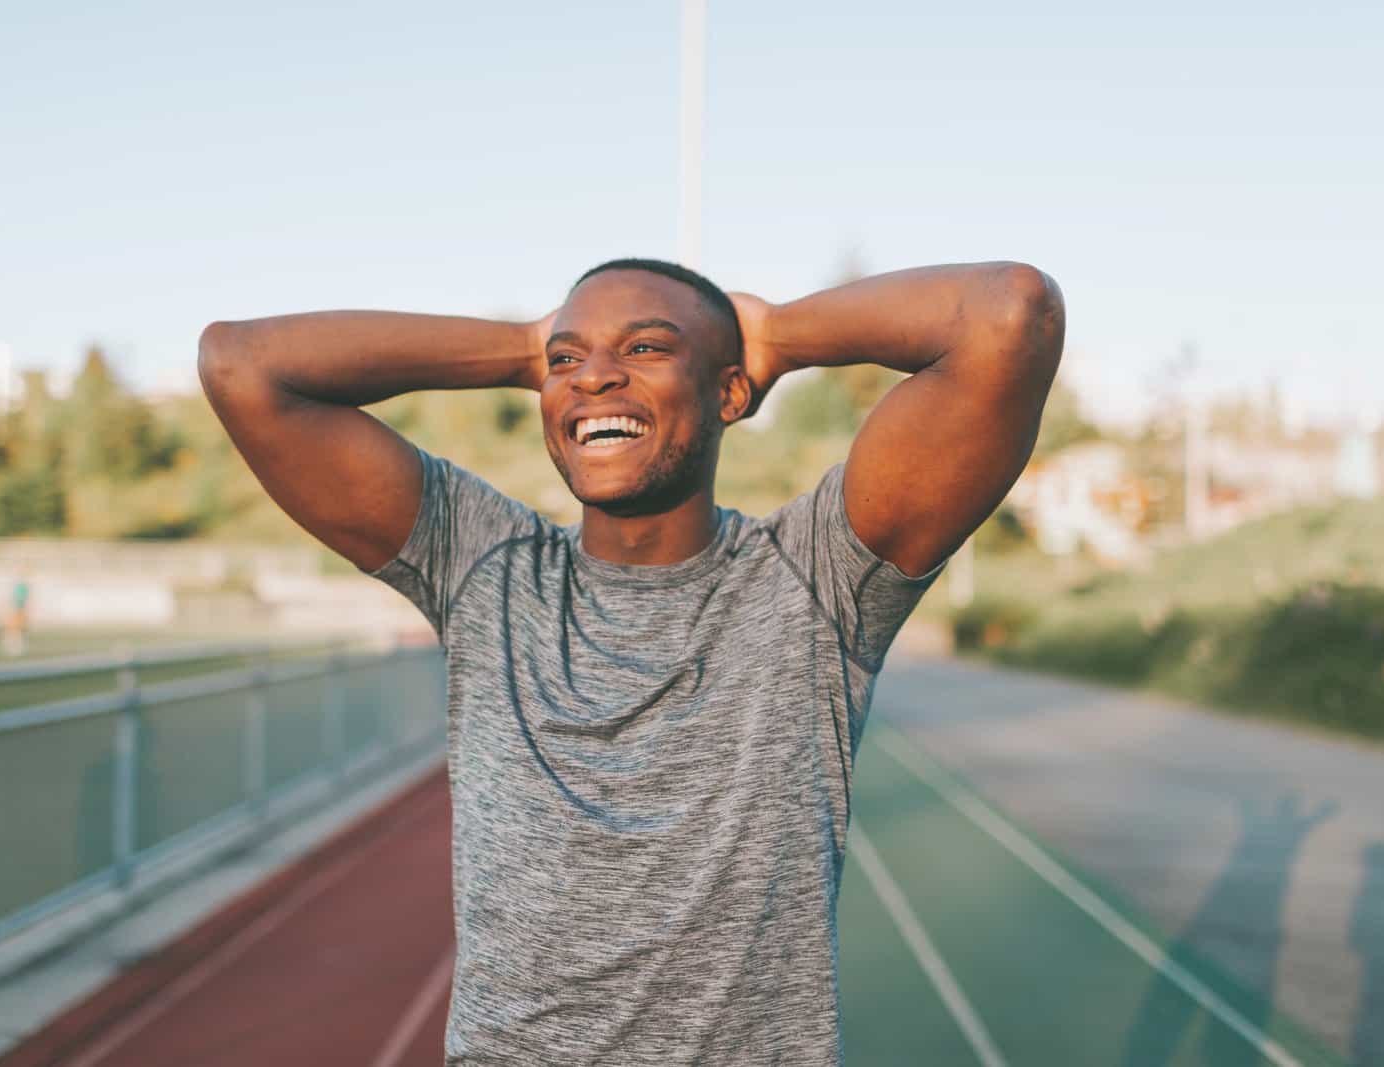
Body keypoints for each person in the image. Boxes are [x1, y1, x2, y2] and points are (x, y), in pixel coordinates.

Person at [197, 257, 1065, 1065]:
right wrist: (520, 349)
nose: (595, 376)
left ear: (730, 391)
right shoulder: (481, 562)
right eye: (569, 359)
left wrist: (778, 335)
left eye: (646, 347)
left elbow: (1007, 314)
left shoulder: (815, 578)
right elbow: (241, 363)